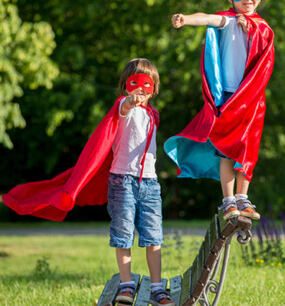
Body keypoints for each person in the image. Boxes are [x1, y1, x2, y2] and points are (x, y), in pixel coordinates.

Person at [2, 58, 173, 305]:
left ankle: (157, 287)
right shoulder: (123, 105)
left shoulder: (153, 114)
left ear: (154, 88)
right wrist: (129, 100)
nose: (140, 89)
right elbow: (124, 107)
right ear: (125, 86)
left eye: (146, 84)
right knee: (123, 234)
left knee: (154, 237)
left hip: (150, 184)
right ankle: (127, 285)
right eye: (134, 83)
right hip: (122, 182)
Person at [164, 0, 275, 221]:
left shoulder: (262, 27)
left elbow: (264, 54)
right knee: (225, 149)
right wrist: (187, 18)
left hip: (252, 98)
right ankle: (228, 201)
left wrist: (252, 31)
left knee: (248, 149)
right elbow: (207, 18)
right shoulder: (228, 21)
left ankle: (243, 198)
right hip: (227, 97)